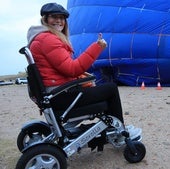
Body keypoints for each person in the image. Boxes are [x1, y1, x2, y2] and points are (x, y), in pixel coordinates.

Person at [27, 2, 142, 142]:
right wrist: (97, 47)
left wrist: (80, 78)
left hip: (55, 94)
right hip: (59, 96)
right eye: (54, 17)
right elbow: (72, 69)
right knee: (110, 89)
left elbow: (60, 70)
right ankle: (119, 130)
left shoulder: (41, 38)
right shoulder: (48, 39)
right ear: (45, 19)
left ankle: (109, 128)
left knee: (97, 89)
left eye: (62, 17)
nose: (59, 20)